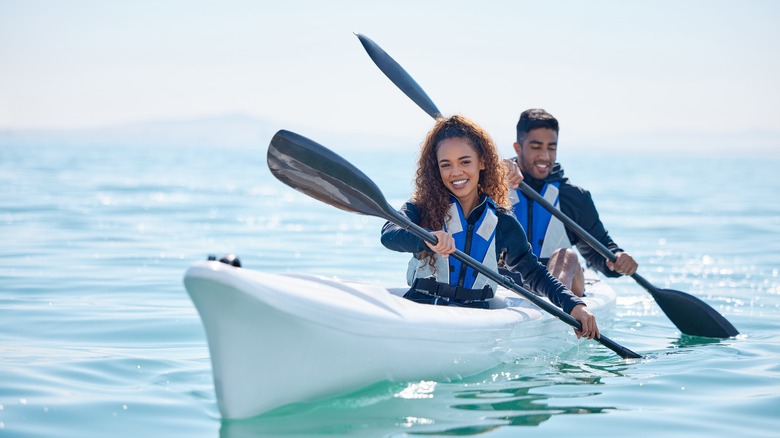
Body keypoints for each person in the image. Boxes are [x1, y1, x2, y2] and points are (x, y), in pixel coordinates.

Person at [380, 114, 599, 340]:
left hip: (476, 319)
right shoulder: (421, 208)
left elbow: (534, 273)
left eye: (465, 162)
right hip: (422, 309)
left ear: (482, 163)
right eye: (446, 165)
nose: (456, 172)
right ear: (436, 169)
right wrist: (424, 237)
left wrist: (575, 305)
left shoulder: (502, 222)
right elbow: (389, 235)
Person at [506, 108, 638, 297]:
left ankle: (558, 303)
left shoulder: (575, 198)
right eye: (536, 147)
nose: (545, 156)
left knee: (566, 255)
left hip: (558, 288)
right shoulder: (494, 187)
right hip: (505, 288)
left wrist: (616, 258)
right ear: (518, 148)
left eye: (552, 148)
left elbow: (599, 250)